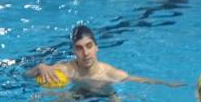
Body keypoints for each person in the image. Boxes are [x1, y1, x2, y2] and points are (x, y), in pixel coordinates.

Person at [28, 25, 180, 91]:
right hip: (76, 95)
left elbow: (136, 79)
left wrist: (166, 83)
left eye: (89, 46)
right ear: (74, 51)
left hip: (103, 96)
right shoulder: (66, 69)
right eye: (79, 48)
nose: (85, 53)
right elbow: (25, 76)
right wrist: (40, 67)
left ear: (96, 47)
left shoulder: (108, 73)